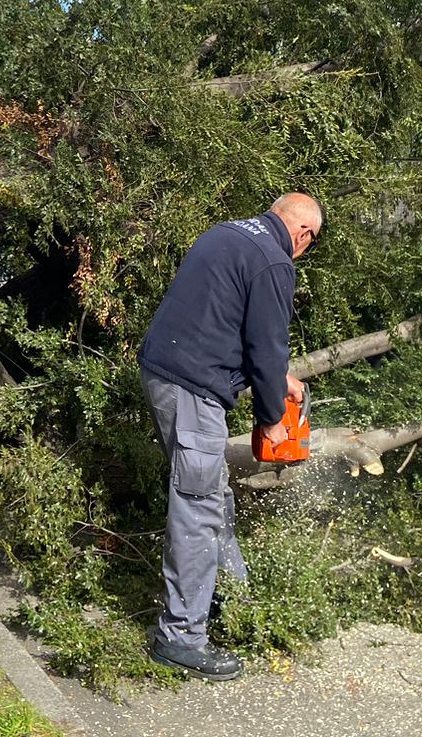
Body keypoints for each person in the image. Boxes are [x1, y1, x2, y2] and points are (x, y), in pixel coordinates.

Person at [137, 192, 322, 681]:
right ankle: (180, 638)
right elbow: (266, 343)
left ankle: (232, 600)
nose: (303, 251)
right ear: (303, 233)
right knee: (198, 508)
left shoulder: (231, 233)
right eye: (310, 242)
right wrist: (271, 418)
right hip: (194, 388)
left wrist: (276, 378)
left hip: (165, 373)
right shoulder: (274, 262)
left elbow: (222, 319)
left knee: (212, 495)